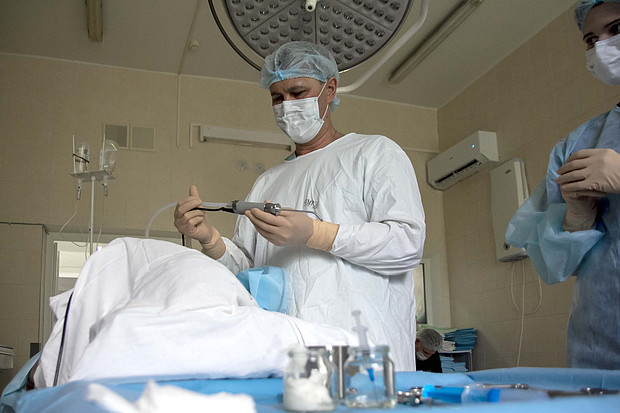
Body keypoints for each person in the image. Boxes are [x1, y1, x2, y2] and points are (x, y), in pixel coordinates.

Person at [174, 41, 426, 370]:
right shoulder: (267, 182)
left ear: (329, 89)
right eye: (277, 98)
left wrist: (316, 233)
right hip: (288, 357)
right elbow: (249, 274)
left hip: (365, 355)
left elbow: (406, 244)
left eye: (298, 92)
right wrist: (210, 239)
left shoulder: (374, 153)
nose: (287, 105)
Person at [506, 0, 620, 369]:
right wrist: (577, 217)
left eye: (616, 29)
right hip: (600, 347)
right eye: (591, 39)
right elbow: (554, 265)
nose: (602, 48)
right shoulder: (579, 143)